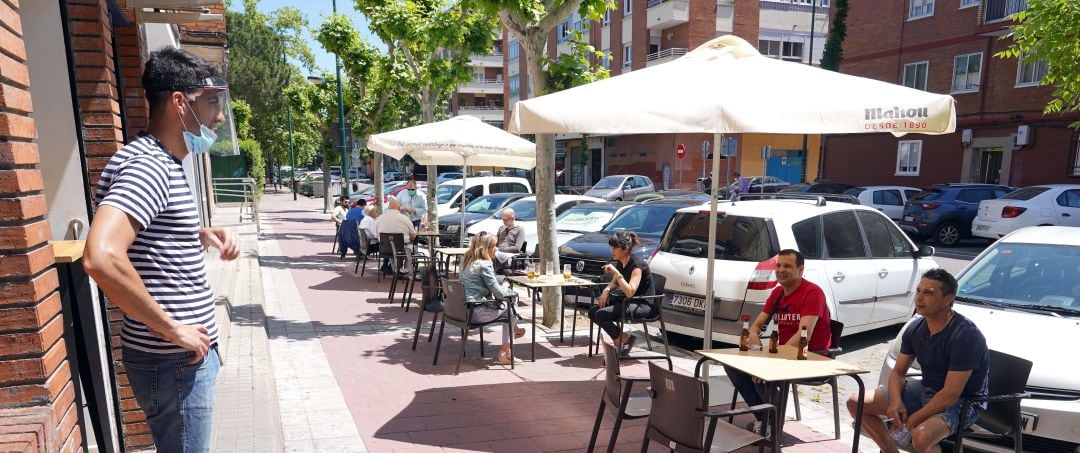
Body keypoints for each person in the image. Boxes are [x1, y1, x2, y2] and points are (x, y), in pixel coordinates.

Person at [83, 47, 239, 453]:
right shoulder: (149, 166)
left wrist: (198, 233)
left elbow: (145, 233)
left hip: (176, 361)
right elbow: (101, 257)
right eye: (212, 103)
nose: (219, 117)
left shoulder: (159, 162)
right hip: (175, 362)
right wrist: (172, 329)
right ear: (179, 102)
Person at [847, 269, 989, 453]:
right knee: (855, 402)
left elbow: (950, 395)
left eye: (928, 293)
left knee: (920, 436)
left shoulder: (965, 335)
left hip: (964, 401)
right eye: (918, 291)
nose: (919, 298)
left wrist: (911, 422)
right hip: (925, 388)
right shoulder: (916, 327)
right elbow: (898, 372)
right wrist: (895, 402)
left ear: (948, 298)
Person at [726, 249, 831, 433]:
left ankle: (771, 424)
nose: (781, 270)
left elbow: (802, 335)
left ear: (800, 270)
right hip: (785, 355)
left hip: (812, 357)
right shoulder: (777, 293)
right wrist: (755, 341)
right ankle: (765, 419)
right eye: (779, 265)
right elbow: (756, 326)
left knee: (762, 373)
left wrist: (768, 362)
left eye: (787, 266)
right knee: (732, 365)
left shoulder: (813, 293)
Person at [458, 232, 526, 365]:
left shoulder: (468, 261)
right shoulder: (484, 264)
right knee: (512, 303)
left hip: (461, 311)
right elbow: (499, 294)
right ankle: (506, 351)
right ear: (485, 248)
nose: (496, 249)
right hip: (476, 314)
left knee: (510, 305)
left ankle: (512, 336)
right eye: (494, 246)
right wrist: (507, 287)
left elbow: (484, 283)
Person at [587, 231, 655, 352]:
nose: (612, 250)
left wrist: (617, 273)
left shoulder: (637, 266)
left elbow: (630, 292)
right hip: (626, 302)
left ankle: (620, 340)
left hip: (641, 304)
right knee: (593, 312)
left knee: (601, 314)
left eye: (615, 247)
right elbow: (614, 283)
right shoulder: (621, 262)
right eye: (611, 247)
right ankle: (623, 338)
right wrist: (607, 290)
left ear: (625, 249)